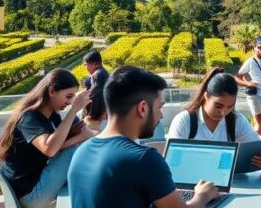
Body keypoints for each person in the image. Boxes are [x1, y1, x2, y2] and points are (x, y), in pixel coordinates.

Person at [68, 66, 218, 208]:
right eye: (159, 107)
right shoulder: (143, 159)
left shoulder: (81, 152)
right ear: (143, 108)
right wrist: (202, 195)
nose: (161, 115)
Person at [0, 68, 94, 208]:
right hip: (30, 194)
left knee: (80, 147)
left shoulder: (52, 115)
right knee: (77, 150)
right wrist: (74, 111)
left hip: (39, 181)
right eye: (68, 96)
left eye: (73, 98)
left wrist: (72, 134)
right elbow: (50, 149)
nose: (70, 102)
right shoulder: (29, 118)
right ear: (52, 91)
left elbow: (57, 145)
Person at [167, 68, 261, 169]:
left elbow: (258, 145)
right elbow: (172, 162)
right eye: (218, 106)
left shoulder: (237, 120)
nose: (223, 112)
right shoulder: (184, 121)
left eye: (230, 107)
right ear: (206, 96)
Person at [81, 50, 109, 129]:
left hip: (96, 118)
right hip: (105, 116)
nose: (84, 66)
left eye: (86, 64)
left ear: (95, 64)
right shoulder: (105, 73)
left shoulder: (97, 75)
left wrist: (91, 116)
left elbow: (94, 95)